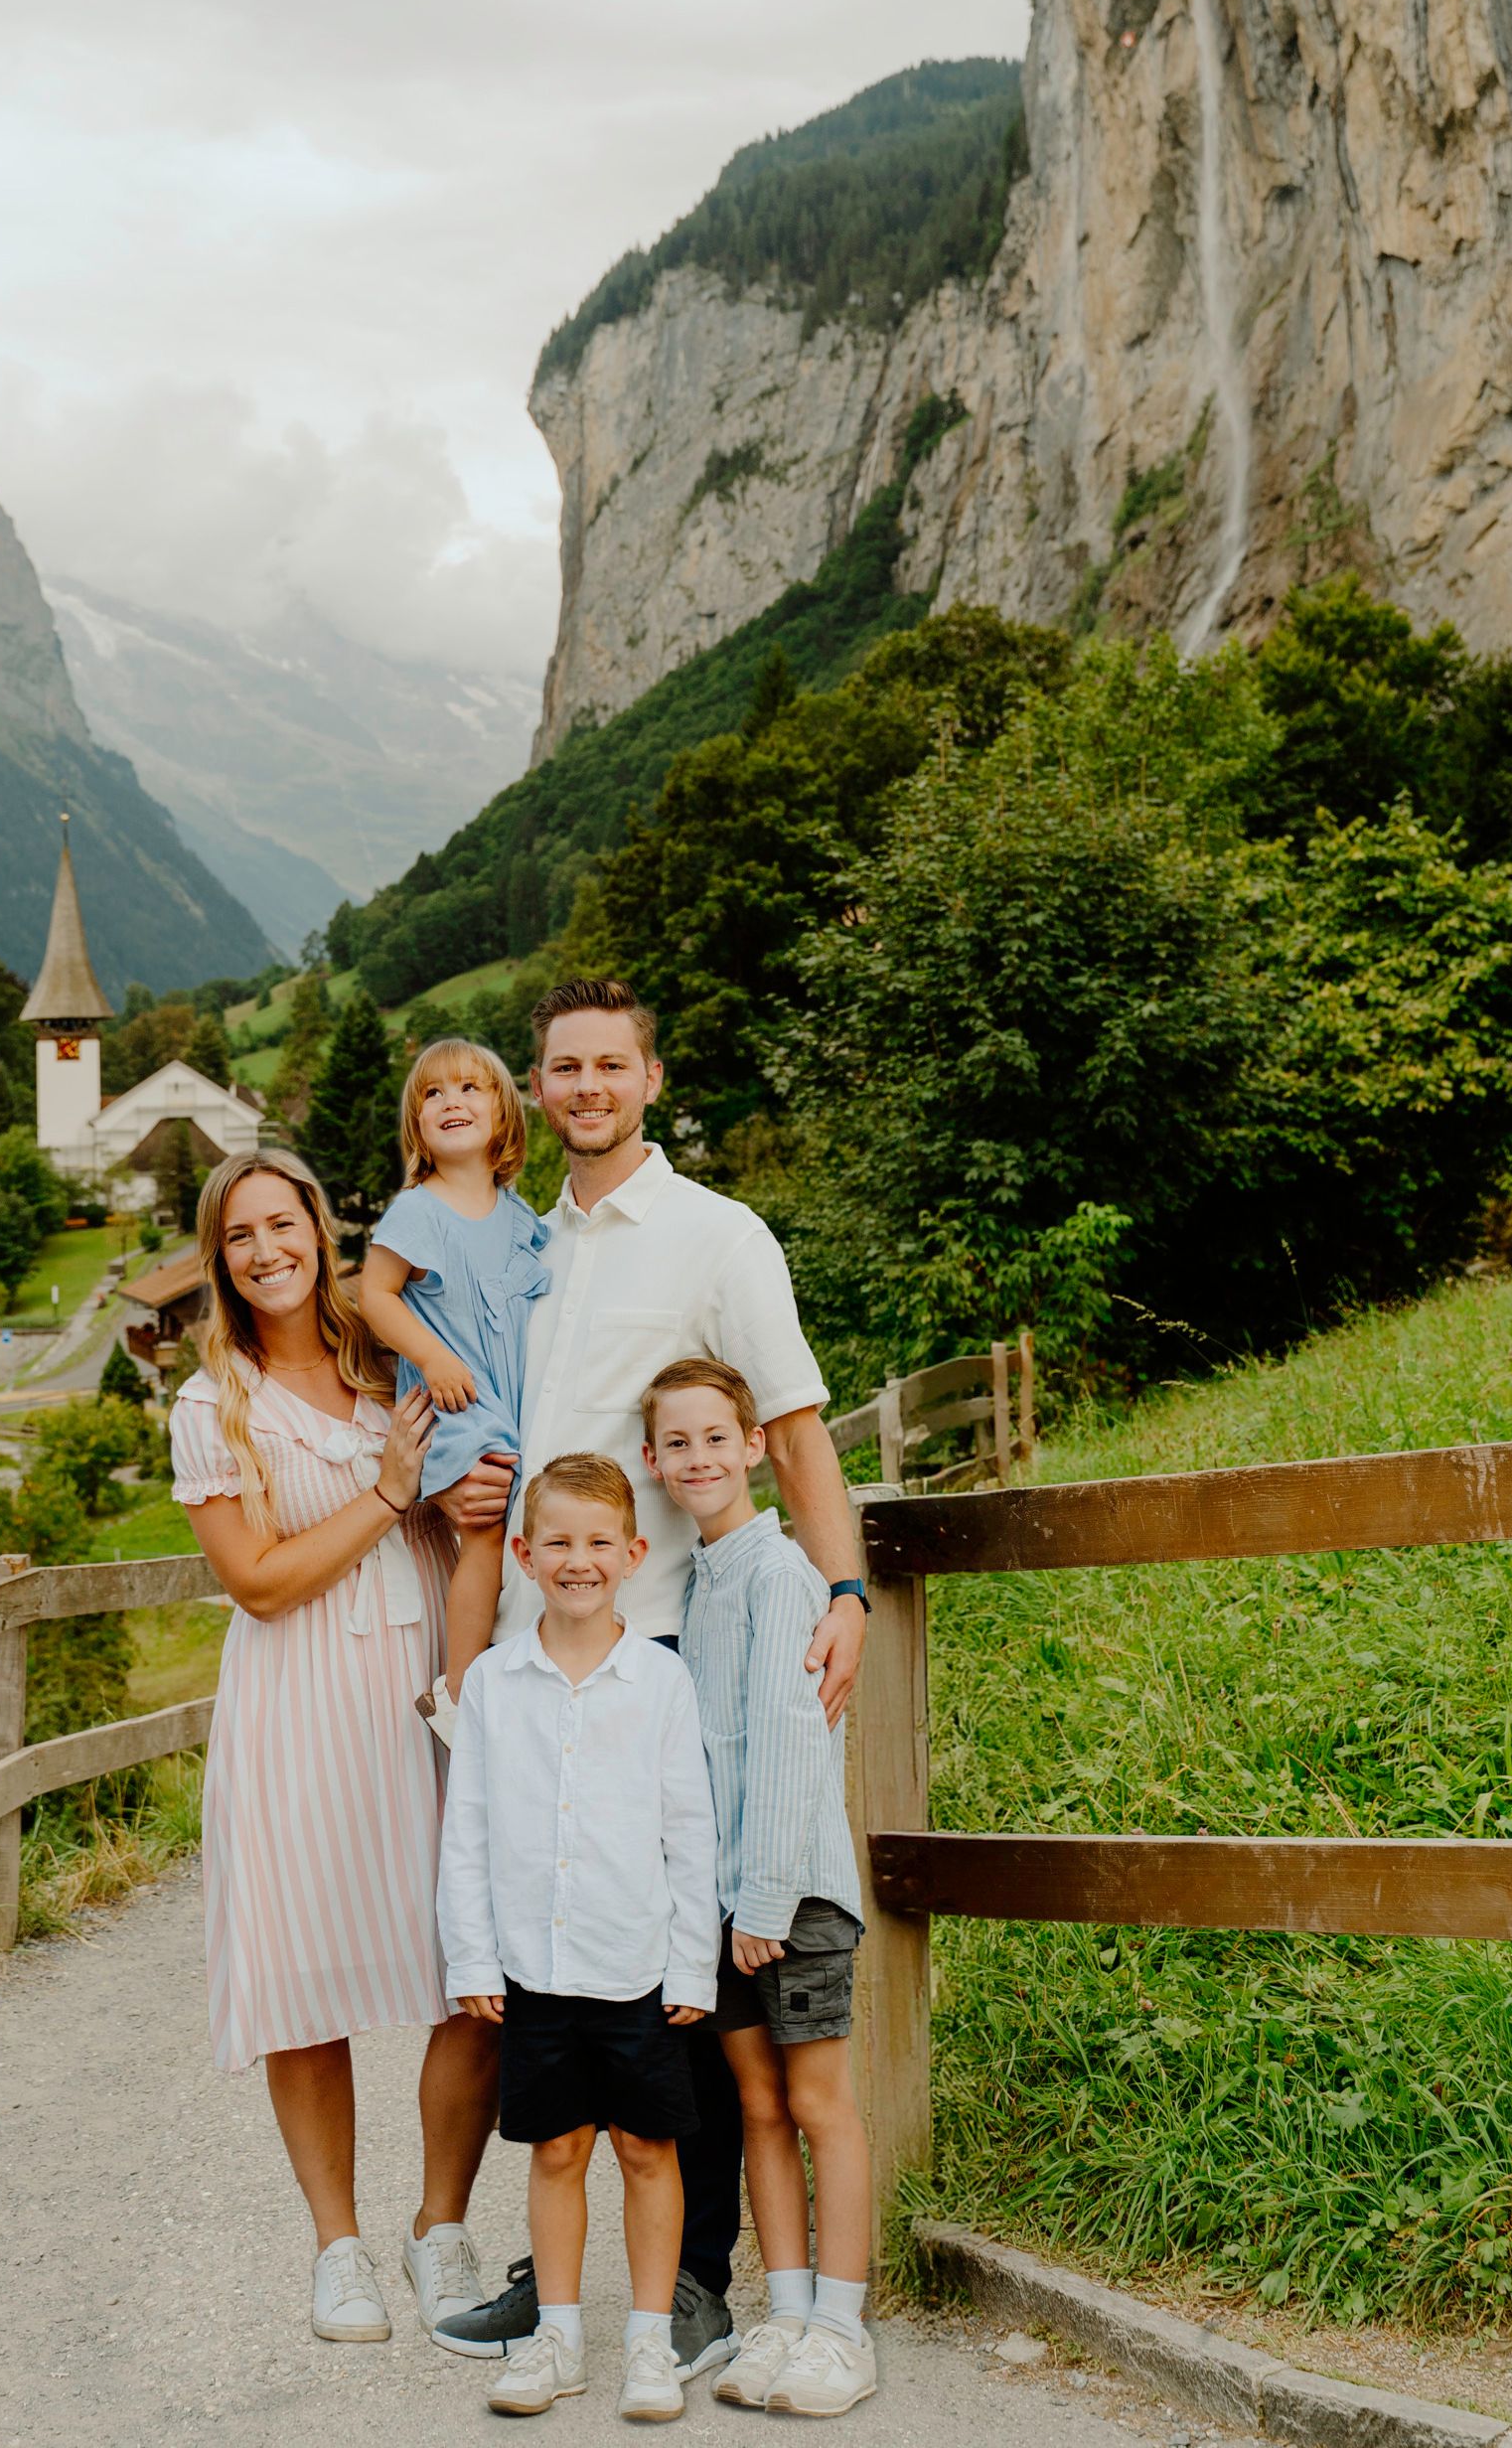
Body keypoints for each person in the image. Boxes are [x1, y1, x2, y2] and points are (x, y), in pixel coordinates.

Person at [435, 976, 869, 2386]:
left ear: (650, 1080)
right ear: (537, 1088)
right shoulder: (522, 1246)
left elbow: (793, 1423)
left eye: (609, 1066)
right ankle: (562, 2278)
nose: (585, 1088)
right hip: (529, 1640)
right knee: (558, 1953)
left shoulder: (715, 1234)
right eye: (562, 1067)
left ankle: (687, 2284)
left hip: (662, 1640)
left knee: (675, 1979)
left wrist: (847, 1589)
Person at [170, 1147, 502, 2348]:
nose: (266, 1251)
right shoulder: (213, 1404)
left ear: (319, 1230)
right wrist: (389, 1493)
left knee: (472, 1969)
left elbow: (466, 1472)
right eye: (239, 1236)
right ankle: (337, 2249)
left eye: (283, 1224)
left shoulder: (390, 1361)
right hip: (298, 1707)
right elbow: (259, 1583)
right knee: (304, 1982)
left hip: (426, 1696)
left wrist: (462, 1498)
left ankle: (439, 2228)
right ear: (220, 1261)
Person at [437, 1453, 718, 2425]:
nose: (578, 1560)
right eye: (556, 1541)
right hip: (535, 1967)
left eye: (599, 1542)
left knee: (645, 2148)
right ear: (523, 1555)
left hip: (636, 1965)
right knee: (555, 2150)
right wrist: (473, 1957)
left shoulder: (660, 1681)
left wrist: (691, 1966)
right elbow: (468, 1831)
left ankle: (648, 2341)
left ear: (633, 1555)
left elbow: (689, 1832)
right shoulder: (492, 1683)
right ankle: (556, 2337)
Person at [647, 1358, 876, 2417]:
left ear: (751, 1447)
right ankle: (784, 2310)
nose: (697, 1458)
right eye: (675, 1443)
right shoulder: (701, 1584)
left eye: (714, 1438)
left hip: (790, 1901)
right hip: (728, 1908)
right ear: (652, 1461)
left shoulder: (782, 1576)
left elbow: (790, 1748)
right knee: (755, 2107)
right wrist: (715, 1907)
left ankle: (840, 2327)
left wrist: (766, 1904)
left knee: (817, 2104)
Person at [360, 1036, 550, 1730]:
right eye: (433, 1094)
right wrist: (434, 1357)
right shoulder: (420, 1211)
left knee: (528, 1532)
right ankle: (460, 1691)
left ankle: (513, 1672)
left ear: (504, 1114)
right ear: (418, 1125)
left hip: (514, 1398)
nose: (452, 1101)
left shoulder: (517, 1214)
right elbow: (375, 1294)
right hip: (458, 1400)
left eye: (471, 1088)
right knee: (487, 1534)